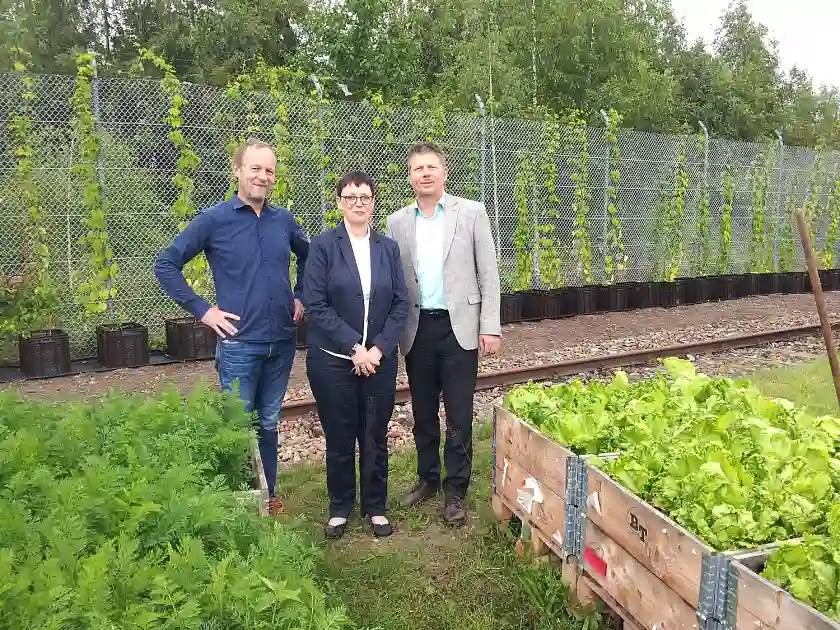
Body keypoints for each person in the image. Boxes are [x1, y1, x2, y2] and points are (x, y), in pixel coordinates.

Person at [154, 138, 308, 517]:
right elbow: (166, 265)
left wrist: (301, 294)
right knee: (238, 425)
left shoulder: (283, 220)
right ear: (238, 170)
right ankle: (243, 501)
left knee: (269, 420)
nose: (263, 176)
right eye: (255, 168)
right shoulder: (214, 220)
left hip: (282, 342)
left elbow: (309, 256)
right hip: (240, 344)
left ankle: (268, 495)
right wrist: (204, 311)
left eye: (269, 170)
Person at [386, 141, 501, 527]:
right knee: (422, 412)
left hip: (459, 328)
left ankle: (456, 491)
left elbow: (488, 273)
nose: (425, 174)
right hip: (417, 330)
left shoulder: (471, 213)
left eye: (432, 167)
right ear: (410, 176)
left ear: (444, 172)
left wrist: (490, 326)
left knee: (459, 413)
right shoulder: (397, 222)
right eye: (418, 168)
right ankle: (427, 478)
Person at [303, 169, 409, 539]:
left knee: (375, 435)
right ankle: (340, 507)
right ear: (339, 203)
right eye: (350, 197)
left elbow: (400, 304)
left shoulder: (387, 248)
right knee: (340, 434)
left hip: (378, 361)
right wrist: (355, 348)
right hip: (333, 359)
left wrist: (377, 349)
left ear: (373, 202)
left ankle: (376, 507)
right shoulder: (323, 247)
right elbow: (315, 303)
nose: (358, 203)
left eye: (364, 197)